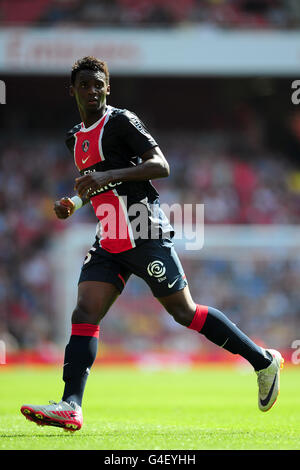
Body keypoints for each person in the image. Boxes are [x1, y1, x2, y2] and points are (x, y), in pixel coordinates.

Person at [21, 57, 283, 432]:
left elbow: (160, 165)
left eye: (99, 84)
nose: (92, 91)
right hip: (110, 236)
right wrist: (74, 203)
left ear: (108, 88)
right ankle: (71, 405)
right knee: (84, 313)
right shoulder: (73, 138)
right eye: (84, 85)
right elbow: (100, 184)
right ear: (73, 90)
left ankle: (263, 361)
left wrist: (108, 174)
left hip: (144, 229)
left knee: (183, 312)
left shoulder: (121, 121)